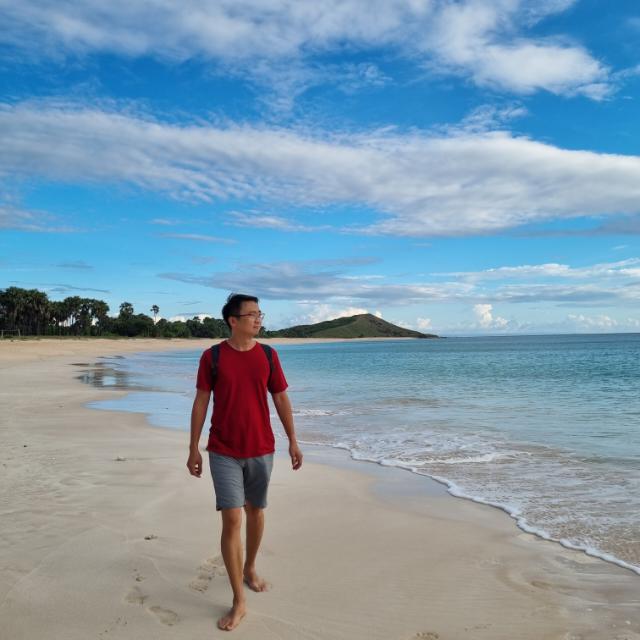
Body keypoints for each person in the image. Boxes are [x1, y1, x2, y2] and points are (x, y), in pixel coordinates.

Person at [187, 293, 303, 632]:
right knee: (232, 518)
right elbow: (201, 402)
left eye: (260, 314)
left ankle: (249, 567)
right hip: (223, 449)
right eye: (251, 314)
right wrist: (193, 447)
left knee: (255, 511)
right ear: (233, 321)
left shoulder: (268, 355)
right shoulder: (212, 357)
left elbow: (280, 397)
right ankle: (239, 600)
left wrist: (293, 440)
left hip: (261, 448)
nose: (258, 319)